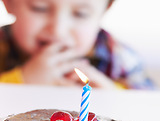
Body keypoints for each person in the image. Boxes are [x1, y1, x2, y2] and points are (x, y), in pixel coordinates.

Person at [0, 0, 156, 89]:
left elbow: (149, 107)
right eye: (40, 8)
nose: (58, 30)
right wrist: (21, 81)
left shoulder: (121, 58)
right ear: (8, 3)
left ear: (104, 10)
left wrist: (111, 94)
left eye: (81, 14)